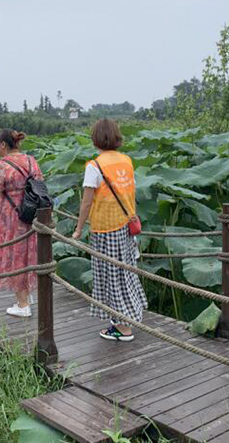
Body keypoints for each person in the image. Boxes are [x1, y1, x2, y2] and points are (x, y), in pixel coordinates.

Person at [72, 119, 147, 342]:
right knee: (126, 274)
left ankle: (124, 328)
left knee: (111, 277)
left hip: (106, 230)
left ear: (95, 138)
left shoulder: (94, 166)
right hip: (126, 226)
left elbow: (86, 203)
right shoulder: (126, 160)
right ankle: (125, 319)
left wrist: (77, 230)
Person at [0, 129, 42, 317]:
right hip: (31, 216)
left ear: (3, 145)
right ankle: (26, 295)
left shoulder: (2, 166)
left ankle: (23, 305)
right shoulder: (31, 161)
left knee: (15, 256)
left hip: (11, 217)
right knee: (27, 255)